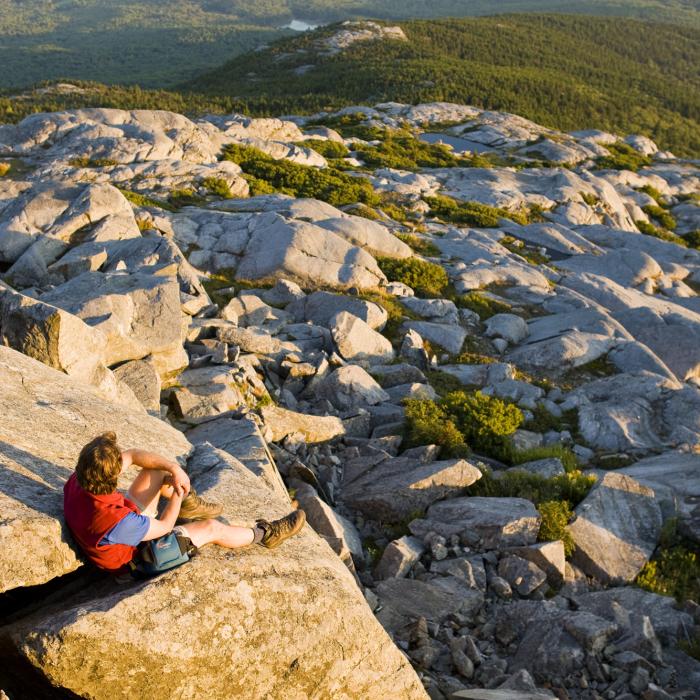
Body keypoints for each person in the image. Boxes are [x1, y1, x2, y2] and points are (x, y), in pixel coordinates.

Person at [63, 432, 305, 574]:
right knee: (212, 528)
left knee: (156, 471)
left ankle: (189, 505)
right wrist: (177, 492)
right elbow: (166, 526)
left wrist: (173, 468)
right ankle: (266, 534)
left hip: (119, 529)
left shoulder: (78, 480)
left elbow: (135, 455)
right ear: (113, 475)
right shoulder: (120, 522)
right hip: (137, 560)